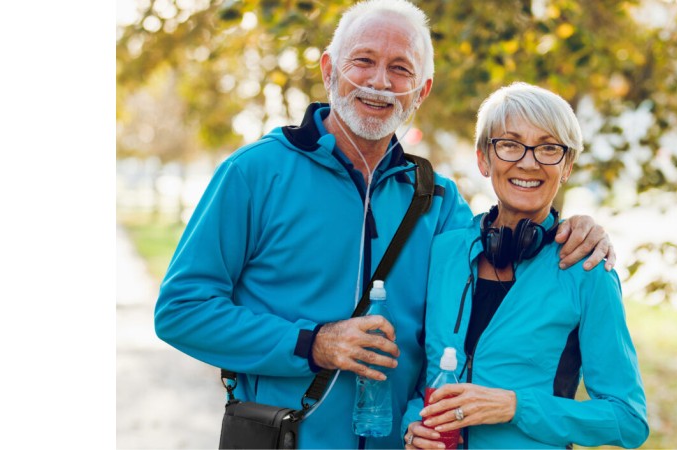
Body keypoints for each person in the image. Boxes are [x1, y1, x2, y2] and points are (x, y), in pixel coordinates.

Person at [154, 1, 615, 448]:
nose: (379, 81)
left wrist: (576, 228)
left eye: (400, 68)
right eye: (363, 61)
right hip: (284, 437)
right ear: (329, 69)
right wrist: (313, 343)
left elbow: (503, 251)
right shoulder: (255, 173)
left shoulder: (438, 200)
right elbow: (181, 310)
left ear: (422, 90)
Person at [401, 82, 648, 449]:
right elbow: (421, 375)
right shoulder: (444, 251)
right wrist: (412, 424)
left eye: (549, 148)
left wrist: (515, 406)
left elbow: (627, 420)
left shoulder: (587, 269)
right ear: (484, 159)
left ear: (567, 166)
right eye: (510, 144)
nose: (529, 162)